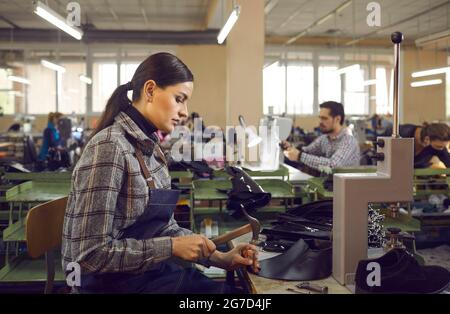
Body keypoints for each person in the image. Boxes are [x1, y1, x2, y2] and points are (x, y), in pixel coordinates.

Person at [62, 52, 259, 294]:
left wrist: (220, 258)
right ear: (150, 90)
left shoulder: (150, 148)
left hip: (148, 276)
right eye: (179, 99)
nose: (185, 111)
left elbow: (163, 227)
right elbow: (87, 256)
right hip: (113, 287)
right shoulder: (110, 148)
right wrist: (170, 247)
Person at [283, 101, 360, 171]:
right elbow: (307, 151)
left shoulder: (349, 141)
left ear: (337, 119)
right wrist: (290, 148)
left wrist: (299, 156)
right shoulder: (324, 139)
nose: (320, 122)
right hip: (328, 182)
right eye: (320, 118)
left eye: (324, 118)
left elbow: (332, 166)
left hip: (344, 185)